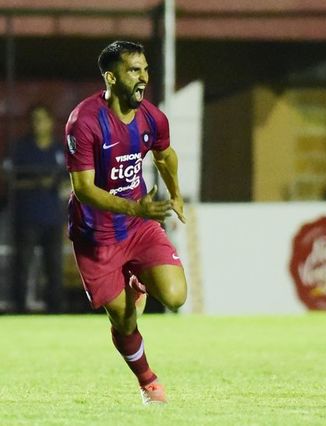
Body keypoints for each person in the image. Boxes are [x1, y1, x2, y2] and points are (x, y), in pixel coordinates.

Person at [64, 40, 187, 405]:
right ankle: (148, 381)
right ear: (111, 77)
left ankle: (138, 278)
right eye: (134, 70)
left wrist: (176, 194)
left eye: (145, 69)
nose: (143, 78)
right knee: (124, 321)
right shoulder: (83, 122)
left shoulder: (152, 117)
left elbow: (165, 156)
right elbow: (84, 189)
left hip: (137, 225)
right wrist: (136, 210)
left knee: (177, 296)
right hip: (95, 235)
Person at [10, 104, 67, 313]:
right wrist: (38, 182)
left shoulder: (59, 149)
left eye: (42, 119)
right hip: (27, 218)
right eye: (34, 119)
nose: (38, 124)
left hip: (53, 218)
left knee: (54, 267)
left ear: (51, 122)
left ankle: (56, 310)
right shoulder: (21, 149)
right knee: (23, 266)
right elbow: (11, 181)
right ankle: (19, 310)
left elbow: (70, 181)